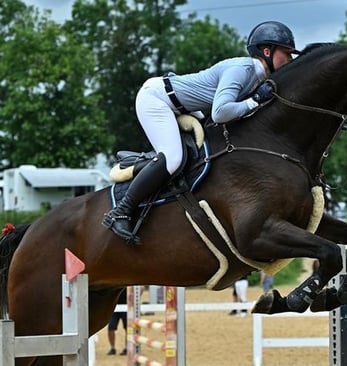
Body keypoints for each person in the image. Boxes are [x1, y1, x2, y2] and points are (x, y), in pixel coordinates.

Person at [103, 21, 300, 244]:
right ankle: (121, 211)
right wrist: (254, 102)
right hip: (156, 99)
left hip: (181, 104)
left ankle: (145, 162)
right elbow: (220, 112)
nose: (290, 60)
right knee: (173, 159)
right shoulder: (243, 69)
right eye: (287, 53)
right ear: (267, 51)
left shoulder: (258, 76)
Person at [107, 288, 128, 355]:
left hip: (126, 307)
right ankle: (112, 348)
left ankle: (127, 348)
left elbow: (141, 288)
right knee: (111, 327)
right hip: (114, 308)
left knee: (128, 329)